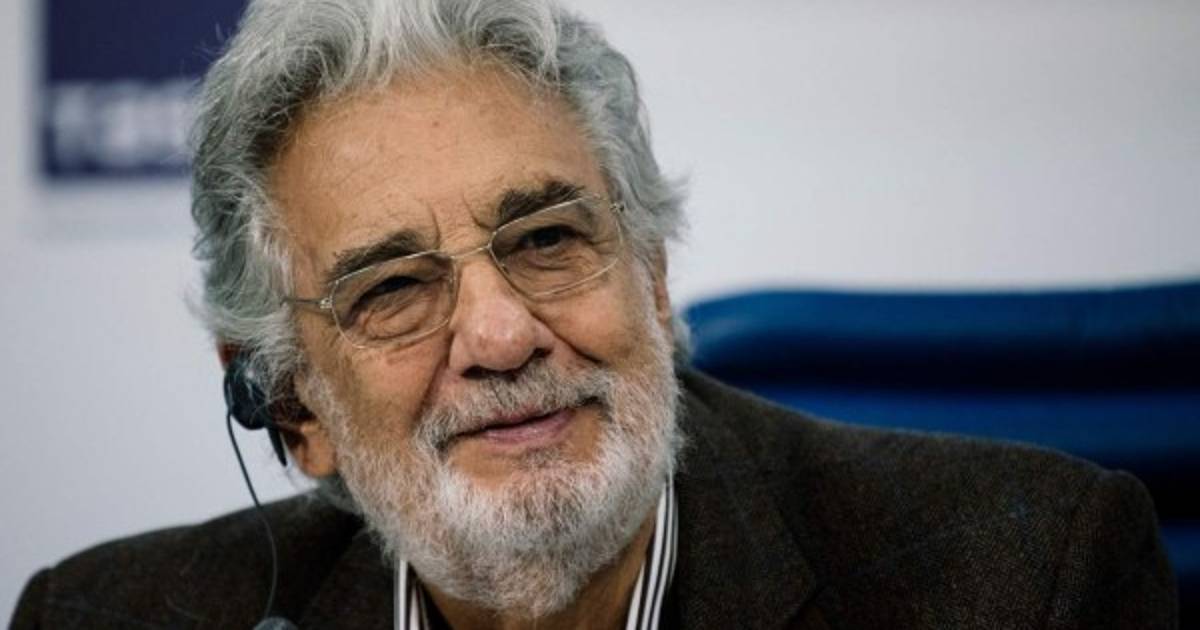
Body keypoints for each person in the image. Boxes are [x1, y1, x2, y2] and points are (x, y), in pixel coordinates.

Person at [13, 0, 1178, 628]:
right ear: (289, 404)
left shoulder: (1028, 582)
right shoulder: (101, 620)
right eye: (393, 288)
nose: (503, 336)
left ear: (653, 278)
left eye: (547, 240)